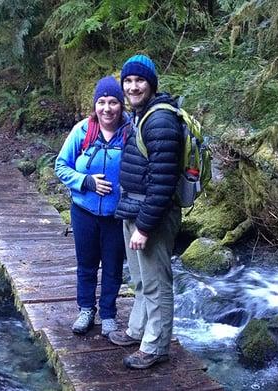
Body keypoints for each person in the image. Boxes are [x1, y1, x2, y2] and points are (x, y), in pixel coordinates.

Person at [109, 55, 182, 369]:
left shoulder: (161, 120)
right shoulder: (141, 115)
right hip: (135, 209)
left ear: (151, 84)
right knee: (140, 280)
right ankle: (138, 330)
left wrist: (144, 226)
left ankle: (156, 346)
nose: (133, 86)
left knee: (156, 282)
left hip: (151, 215)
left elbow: (163, 182)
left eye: (140, 81)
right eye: (128, 81)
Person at [55, 76, 129, 337]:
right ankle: (86, 309)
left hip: (117, 215)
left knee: (113, 267)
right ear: (95, 105)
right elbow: (61, 166)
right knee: (86, 264)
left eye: (112, 102)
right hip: (84, 212)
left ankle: (108, 314)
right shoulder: (83, 131)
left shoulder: (130, 132)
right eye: (101, 102)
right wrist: (84, 181)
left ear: (121, 105)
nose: (106, 108)